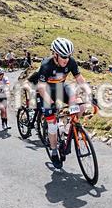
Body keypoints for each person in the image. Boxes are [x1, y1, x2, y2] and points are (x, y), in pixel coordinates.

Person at [35, 38, 95, 169]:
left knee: (80, 106)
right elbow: (41, 88)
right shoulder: (46, 65)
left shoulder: (71, 62)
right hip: (45, 92)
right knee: (51, 125)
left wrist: (90, 95)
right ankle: (54, 151)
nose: (66, 59)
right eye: (63, 56)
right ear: (55, 54)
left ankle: (68, 131)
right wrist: (51, 103)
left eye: (68, 56)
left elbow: (80, 79)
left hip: (61, 87)